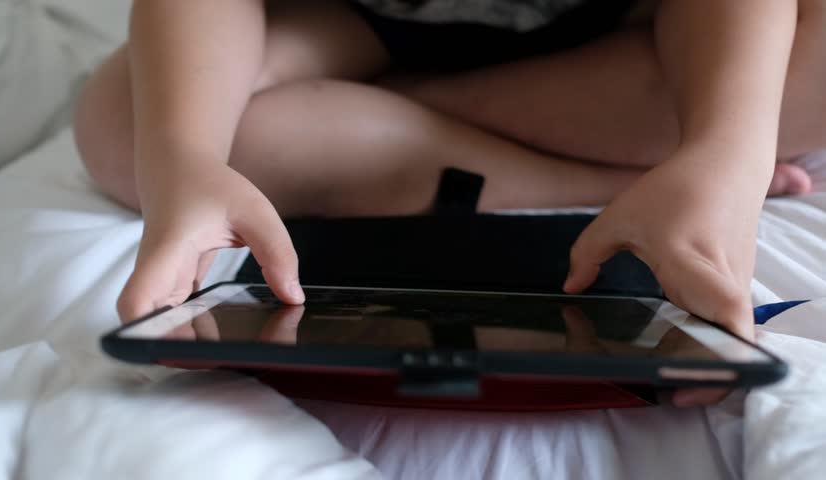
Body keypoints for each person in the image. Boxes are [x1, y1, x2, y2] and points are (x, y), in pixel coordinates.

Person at [75, 0, 818, 402]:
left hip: (617, 36)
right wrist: (186, 158)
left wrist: (726, 155)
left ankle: (376, 112)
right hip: (356, 22)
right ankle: (609, 178)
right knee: (121, 129)